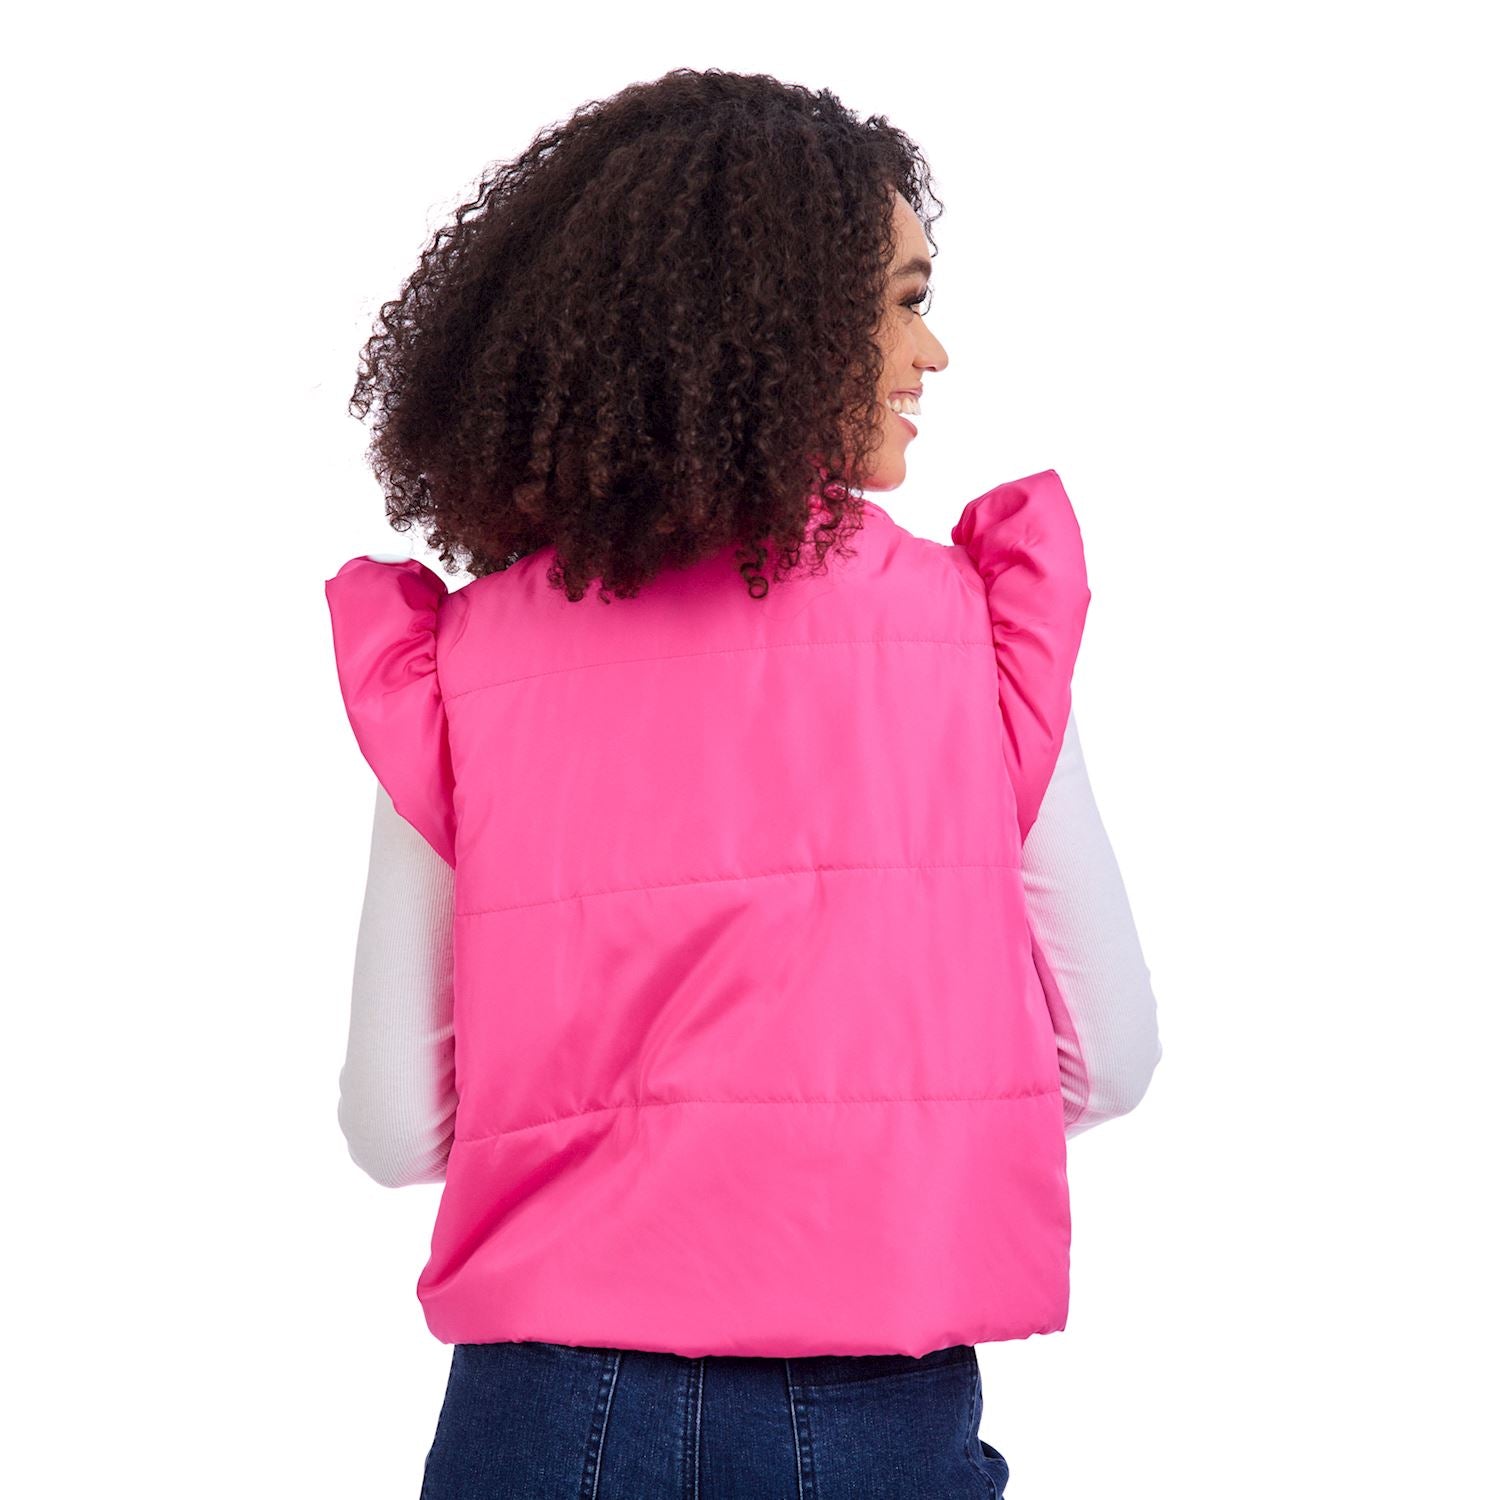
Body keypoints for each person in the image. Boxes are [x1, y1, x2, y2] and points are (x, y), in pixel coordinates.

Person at [324, 66, 1161, 1500]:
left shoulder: (457, 665)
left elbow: (396, 1124)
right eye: (901, 302)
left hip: (544, 1408)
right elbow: (1111, 1059)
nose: (932, 350)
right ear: (777, 320)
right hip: (870, 1401)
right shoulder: (976, 634)